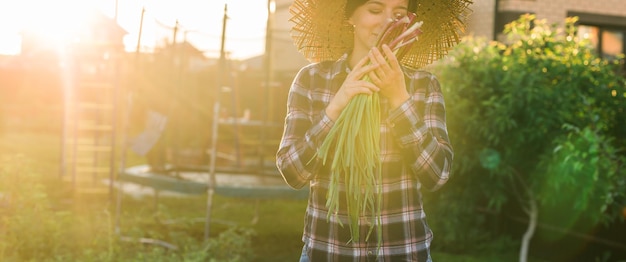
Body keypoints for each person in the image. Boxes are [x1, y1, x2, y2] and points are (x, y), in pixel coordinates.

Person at [276, 0, 472, 261]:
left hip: (402, 252)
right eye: (375, 10)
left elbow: (437, 175)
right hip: (329, 252)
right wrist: (337, 104)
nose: (387, 21)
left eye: (399, 14)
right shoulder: (312, 80)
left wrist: (399, 99)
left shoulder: (423, 85)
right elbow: (293, 171)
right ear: (351, 16)